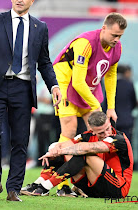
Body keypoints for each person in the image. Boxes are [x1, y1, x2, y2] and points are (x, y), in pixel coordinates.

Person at [0, 0, 61, 202]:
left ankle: (14, 189)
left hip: (22, 86)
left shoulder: (40, 27)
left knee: (20, 140)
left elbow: (45, 62)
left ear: (32, 1)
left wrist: (54, 86)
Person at [24, 12, 127, 197]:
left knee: (96, 130)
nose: (116, 39)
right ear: (104, 28)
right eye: (114, 35)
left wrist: (110, 107)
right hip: (65, 81)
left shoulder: (116, 48)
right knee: (70, 130)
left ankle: (83, 181)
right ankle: (58, 184)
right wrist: (96, 105)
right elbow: (77, 82)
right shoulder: (85, 43)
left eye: (119, 36)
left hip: (88, 85)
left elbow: (110, 76)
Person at [28, 111, 133, 198]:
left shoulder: (119, 139)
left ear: (110, 124)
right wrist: (53, 150)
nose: (106, 134)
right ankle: (38, 184)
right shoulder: (87, 135)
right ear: (92, 130)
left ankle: (45, 187)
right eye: (101, 133)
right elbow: (61, 146)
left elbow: (86, 148)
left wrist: (61, 150)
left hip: (118, 189)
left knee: (85, 154)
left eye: (108, 129)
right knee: (62, 153)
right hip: (93, 190)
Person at [114, 65, 137, 142]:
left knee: (113, 145)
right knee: (126, 144)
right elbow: (133, 101)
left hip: (113, 120)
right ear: (125, 72)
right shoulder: (129, 84)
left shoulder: (112, 84)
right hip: (126, 120)